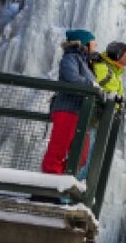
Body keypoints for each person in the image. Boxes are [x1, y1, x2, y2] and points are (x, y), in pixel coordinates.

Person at [41, 29, 99, 175]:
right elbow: (71, 77)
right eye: (93, 42)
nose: (96, 45)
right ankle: (47, 186)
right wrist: (92, 85)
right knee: (58, 148)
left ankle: (60, 180)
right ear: (84, 43)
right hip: (68, 109)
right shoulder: (71, 58)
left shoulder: (86, 63)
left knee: (81, 156)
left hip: (82, 113)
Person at [75, 41, 126, 180]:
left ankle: (79, 187)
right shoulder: (102, 66)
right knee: (86, 155)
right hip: (93, 117)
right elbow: (97, 87)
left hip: (102, 119)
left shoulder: (115, 71)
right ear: (118, 55)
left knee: (93, 157)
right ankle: (70, 189)